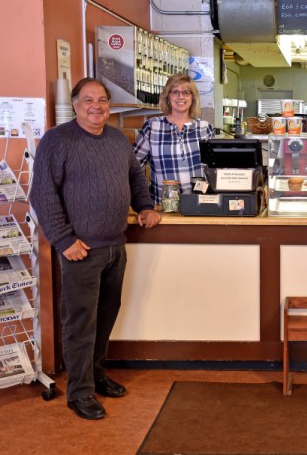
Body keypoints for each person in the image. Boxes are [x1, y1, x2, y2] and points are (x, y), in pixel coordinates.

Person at [30, 78, 162, 420]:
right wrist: (63, 239)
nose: (97, 106)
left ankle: (96, 374)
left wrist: (145, 206)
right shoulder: (57, 141)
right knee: (80, 323)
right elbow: (43, 195)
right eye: (88, 100)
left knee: (105, 318)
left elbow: (135, 177)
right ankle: (79, 392)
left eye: (102, 100)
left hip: (115, 247)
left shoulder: (119, 140)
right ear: (75, 104)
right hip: (81, 250)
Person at [133, 73, 214, 204]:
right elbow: (134, 168)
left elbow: (214, 171)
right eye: (175, 92)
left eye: (186, 92)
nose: (180, 97)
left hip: (199, 205)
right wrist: (142, 202)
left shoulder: (205, 128)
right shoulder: (152, 126)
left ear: (193, 98)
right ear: (167, 97)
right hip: (162, 207)